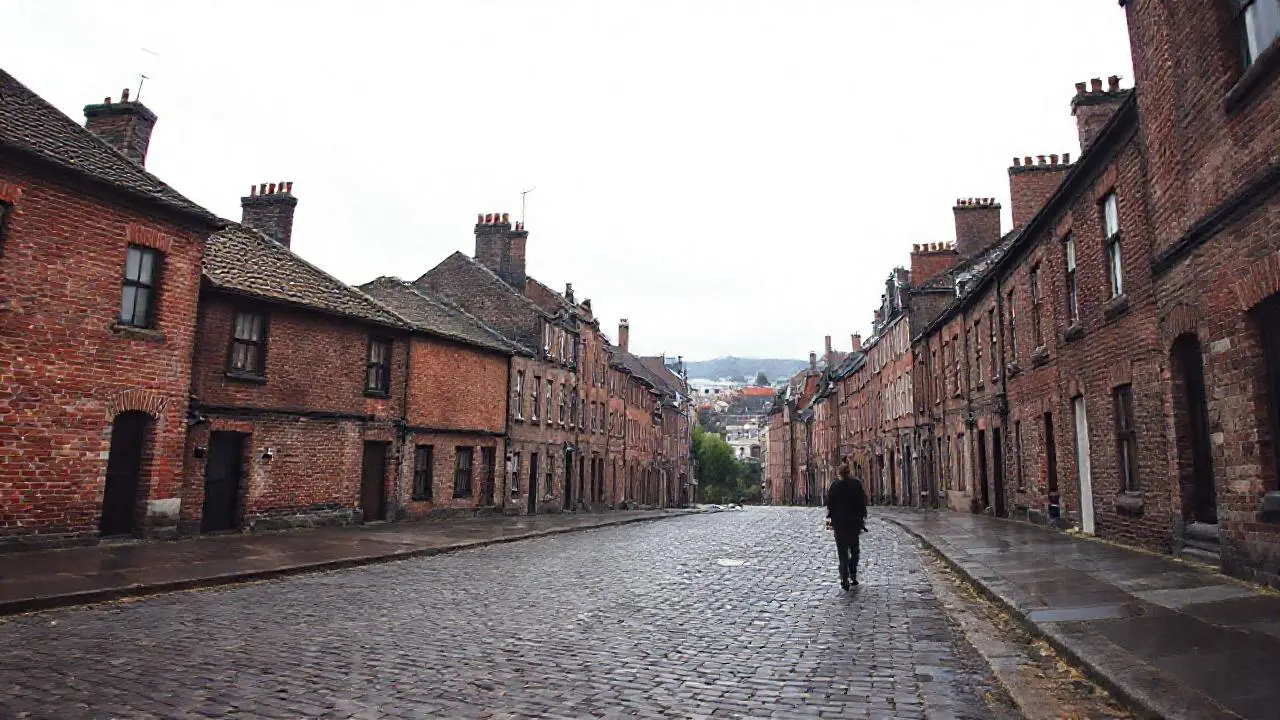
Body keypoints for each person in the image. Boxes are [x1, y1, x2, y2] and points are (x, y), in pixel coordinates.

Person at [825, 462, 868, 590]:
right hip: (853, 523)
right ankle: (853, 573)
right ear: (849, 472)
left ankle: (844, 577)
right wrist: (862, 518)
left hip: (839, 524)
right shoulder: (856, 484)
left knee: (842, 551)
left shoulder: (834, 485)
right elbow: (862, 502)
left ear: (839, 473)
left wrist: (831, 518)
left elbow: (830, 504)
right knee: (854, 549)